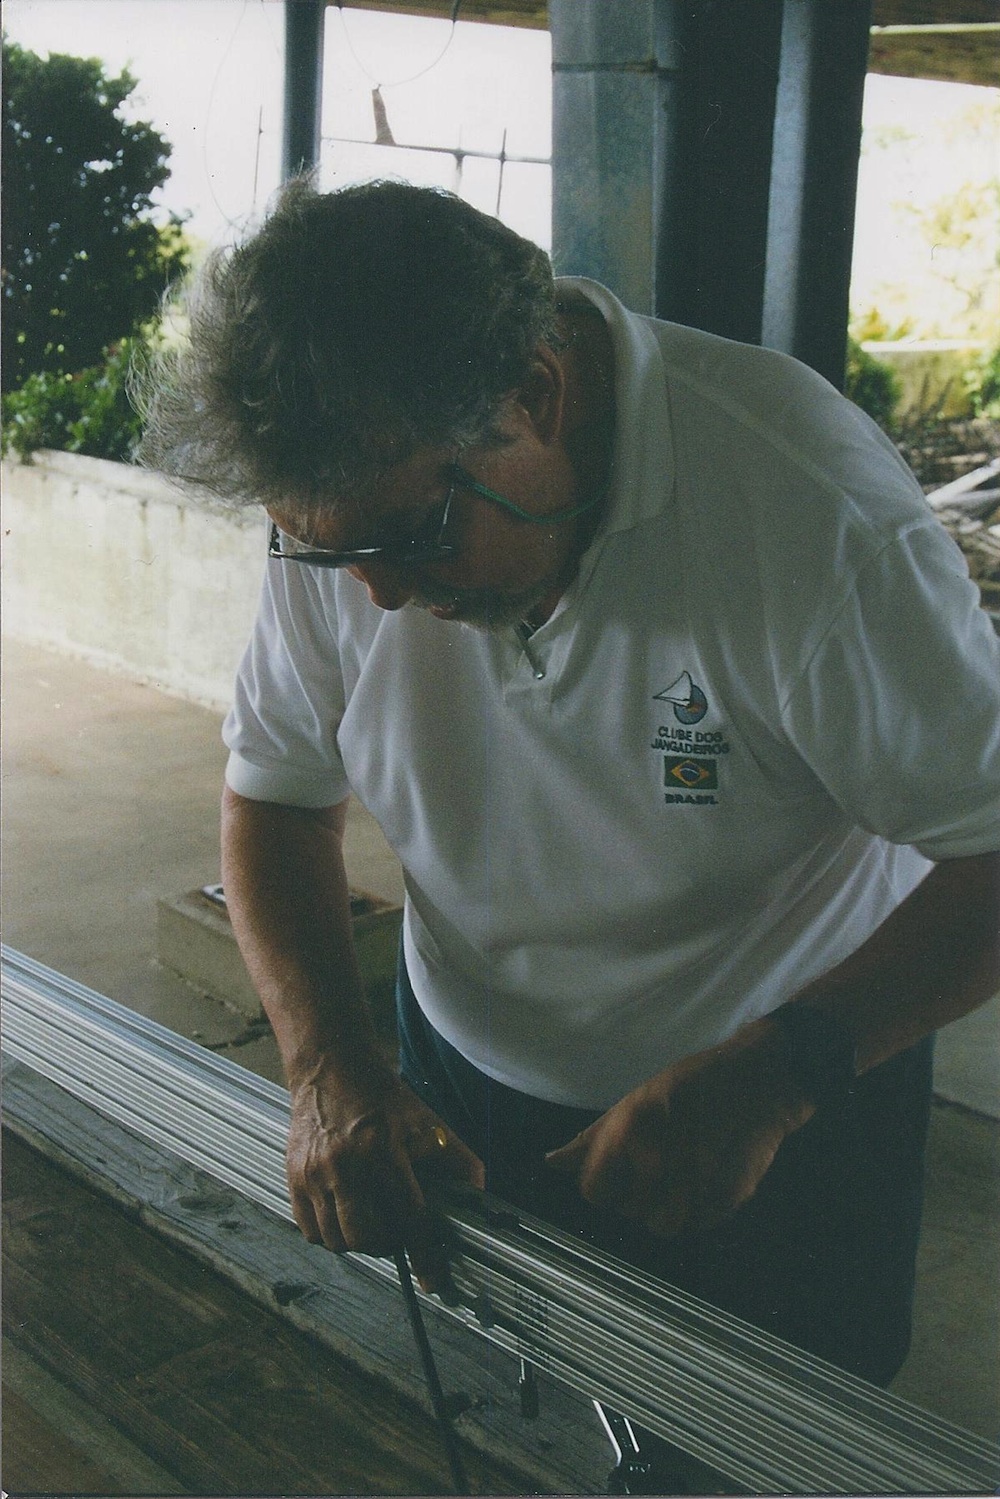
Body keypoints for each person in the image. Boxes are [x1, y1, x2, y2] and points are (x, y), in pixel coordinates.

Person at [139, 178, 999, 1398]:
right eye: (335, 552)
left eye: (414, 536)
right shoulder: (356, 506)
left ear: (538, 393)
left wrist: (783, 1070)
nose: (380, 594)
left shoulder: (811, 513)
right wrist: (327, 1064)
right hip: (456, 1078)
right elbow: (276, 793)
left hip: (782, 1092)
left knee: (775, 1439)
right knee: (503, 1411)